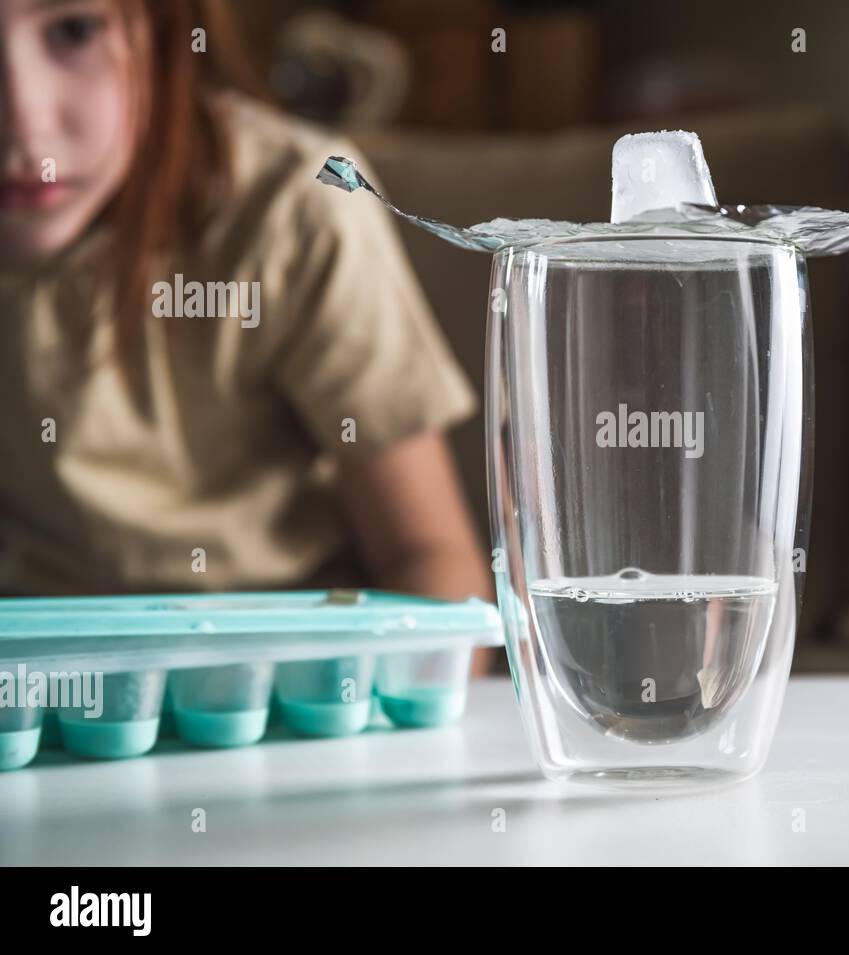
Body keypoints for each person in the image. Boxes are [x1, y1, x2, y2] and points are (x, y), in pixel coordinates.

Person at [0, 0, 493, 670]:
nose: (25, 124)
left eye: (75, 30)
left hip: (284, 696)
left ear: (167, 32)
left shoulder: (294, 205)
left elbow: (431, 560)